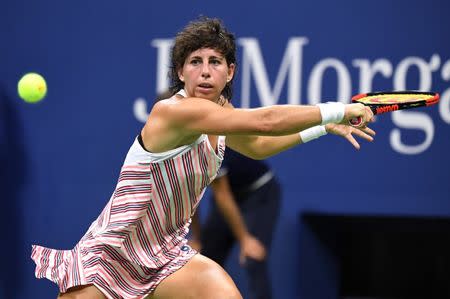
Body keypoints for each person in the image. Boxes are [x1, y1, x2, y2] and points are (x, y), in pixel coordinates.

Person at [31, 16, 375, 299]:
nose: (205, 71)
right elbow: (265, 121)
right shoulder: (174, 112)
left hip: (166, 256)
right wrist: (337, 110)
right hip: (110, 256)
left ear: (231, 72)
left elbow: (257, 144)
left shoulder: (220, 114)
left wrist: (324, 128)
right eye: (195, 62)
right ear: (181, 72)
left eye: (215, 62)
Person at [190, 147, 281, 299]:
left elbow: (223, 195)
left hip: (259, 192)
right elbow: (190, 198)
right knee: (204, 258)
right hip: (227, 195)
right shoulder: (178, 152)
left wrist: (245, 239)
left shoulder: (209, 145)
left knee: (253, 257)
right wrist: (198, 238)